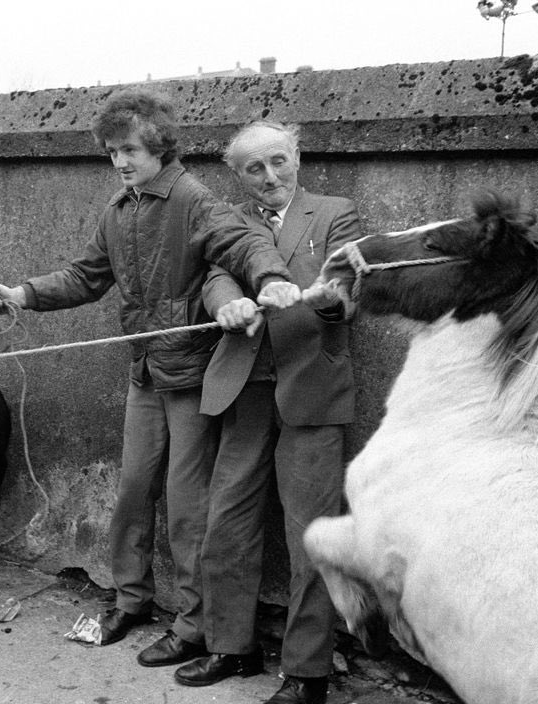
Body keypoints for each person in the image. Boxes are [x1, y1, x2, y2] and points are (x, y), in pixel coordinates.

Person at [0, 90, 301, 665]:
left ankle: (193, 625)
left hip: (189, 378)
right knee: (133, 492)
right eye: (112, 152)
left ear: (158, 144)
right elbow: (86, 276)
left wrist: (271, 279)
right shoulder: (118, 209)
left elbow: (245, 242)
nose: (120, 161)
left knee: (188, 508)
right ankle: (130, 599)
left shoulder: (192, 198)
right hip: (144, 373)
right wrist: (22, 294)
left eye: (130, 150)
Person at [171, 121, 361, 704]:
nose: (270, 176)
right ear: (237, 175)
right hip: (245, 391)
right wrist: (228, 306)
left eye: (279, 161)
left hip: (313, 393)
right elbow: (216, 277)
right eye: (254, 167)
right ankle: (232, 647)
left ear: (297, 157)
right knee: (227, 524)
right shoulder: (229, 221)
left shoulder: (336, 213)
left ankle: (307, 673)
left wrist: (327, 300)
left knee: (310, 536)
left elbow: (349, 293)